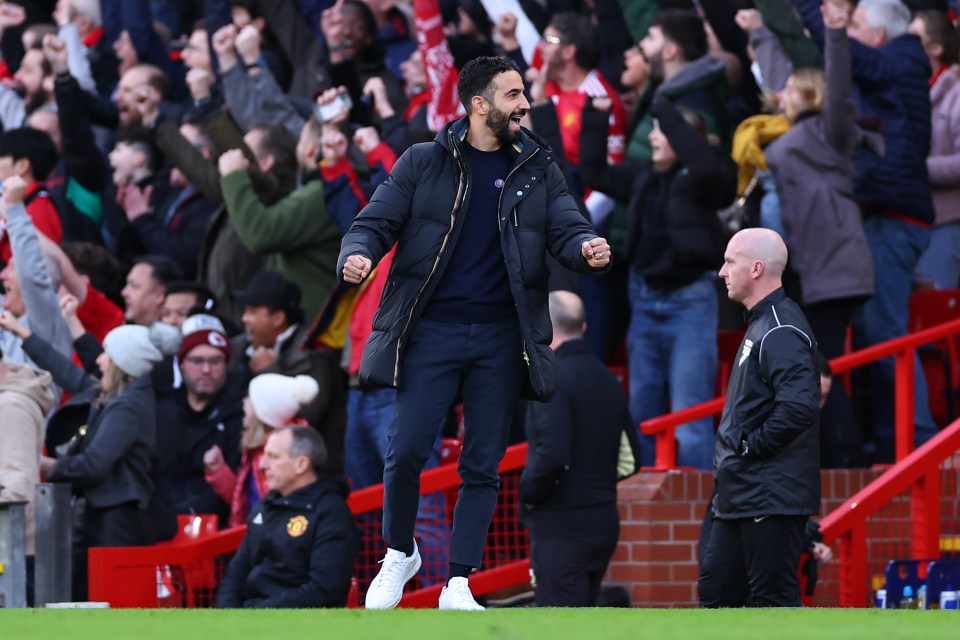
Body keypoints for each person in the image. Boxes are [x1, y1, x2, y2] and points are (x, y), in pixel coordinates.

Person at [338, 55, 610, 610]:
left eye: (524, 93)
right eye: (512, 95)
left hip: (500, 335)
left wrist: (585, 247)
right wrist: (359, 253)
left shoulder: (538, 165)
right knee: (406, 449)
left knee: (481, 461)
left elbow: (566, 221)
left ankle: (459, 580)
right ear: (480, 104)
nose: (525, 104)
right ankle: (399, 553)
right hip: (431, 330)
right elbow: (374, 220)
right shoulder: (421, 161)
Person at [791, 0, 938, 462]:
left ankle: (916, 437)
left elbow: (846, 54)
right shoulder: (892, 62)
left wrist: (815, 13)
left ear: (876, 34)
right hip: (882, 212)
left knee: (886, 330)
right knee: (876, 330)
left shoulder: (901, 58)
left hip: (895, 216)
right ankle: (894, 436)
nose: (846, 30)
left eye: (853, 24)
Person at [579, 94, 735, 470]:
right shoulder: (643, 177)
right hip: (644, 300)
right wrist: (596, 121)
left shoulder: (705, 181)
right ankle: (642, 501)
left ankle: (698, 509)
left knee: (689, 416)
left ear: (685, 139)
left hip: (690, 303)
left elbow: (708, 169)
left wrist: (661, 107)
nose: (651, 137)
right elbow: (594, 173)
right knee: (641, 414)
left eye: (661, 132)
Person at [762, 1, 874, 468]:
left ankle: (845, 456)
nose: (782, 94)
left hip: (835, 268)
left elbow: (842, 92)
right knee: (807, 364)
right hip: (807, 271)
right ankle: (836, 453)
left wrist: (835, 34)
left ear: (808, 92)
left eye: (791, 87)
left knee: (817, 366)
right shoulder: (782, 140)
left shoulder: (829, 133)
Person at [0, 316, 183, 600]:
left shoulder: (130, 406)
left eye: (107, 355)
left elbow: (95, 464)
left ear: (125, 364)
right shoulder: (116, 395)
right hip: (101, 518)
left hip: (117, 526)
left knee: (109, 605)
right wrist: (25, 334)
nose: (100, 361)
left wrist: (50, 465)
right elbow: (68, 374)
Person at [699, 228, 820, 608]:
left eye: (729, 262)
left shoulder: (781, 328)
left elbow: (799, 405)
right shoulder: (762, 323)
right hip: (742, 492)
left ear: (755, 268)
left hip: (769, 494)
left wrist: (751, 447)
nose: (722, 272)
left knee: (773, 602)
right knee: (717, 596)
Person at [520, 290, 640, 607]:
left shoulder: (550, 380)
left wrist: (528, 493)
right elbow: (631, 459)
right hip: (603, 522)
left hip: (561, 527)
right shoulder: (608, 379)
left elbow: (552, 454)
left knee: (559, 627)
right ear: (583, 327)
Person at [214, 424, 358, 608]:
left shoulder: (331, 512)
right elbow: (237, 572)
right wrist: (226, 616)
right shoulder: (265, 507)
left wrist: (255, 614)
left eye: (273, 457)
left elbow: (325, 589)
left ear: (301, 464)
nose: (263, 465)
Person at [913, 9, 960, 290]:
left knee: (936, 315)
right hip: (911, 222)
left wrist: (914, 168)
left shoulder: (956, 92)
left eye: (914, 38)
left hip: (946, 223)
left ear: (936, 48)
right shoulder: (906, 90)